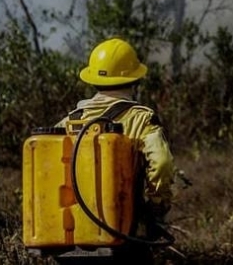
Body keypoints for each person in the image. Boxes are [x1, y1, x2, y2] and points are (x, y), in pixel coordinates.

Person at [56, 37, 175, 263]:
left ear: (92, 79)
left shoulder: (67, 121)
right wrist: (157, 205)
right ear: (134, 80)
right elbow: (162, 164)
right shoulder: (142, 119)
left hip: (68, 237)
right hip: (123, 234)